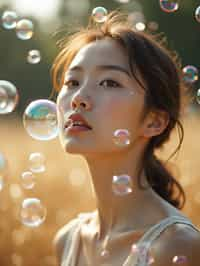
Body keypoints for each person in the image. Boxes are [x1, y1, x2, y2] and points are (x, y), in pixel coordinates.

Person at [51, 10, 200, 266]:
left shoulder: (177, 245)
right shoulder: (67, 240)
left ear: (154, 121)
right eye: (72, 82)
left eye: (109, 83)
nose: (78, 98)